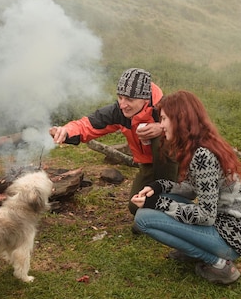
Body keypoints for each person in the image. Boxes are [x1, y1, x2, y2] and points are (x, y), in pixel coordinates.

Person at [130, 90, 241, 285]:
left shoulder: (202, 155)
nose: (160, 125)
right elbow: (191, 189)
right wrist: (159, 186)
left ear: (179, 119)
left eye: (163, 119)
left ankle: (218, 264)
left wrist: (157, 203)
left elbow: (205, 216)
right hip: (227, 228)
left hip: (230, 239)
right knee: (156, 207)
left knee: (143, 218)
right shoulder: (198, 145)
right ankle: (196, 250)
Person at [50, 68, 178, 215]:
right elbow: (89, 124)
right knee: (135, 207)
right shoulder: (120, 111)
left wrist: (162, 127)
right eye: (120, 97)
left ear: (145, 98)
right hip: (148, 165)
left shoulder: (166, 107)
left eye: (129, 99)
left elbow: (192, 129)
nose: (123, 104)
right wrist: (65, 131)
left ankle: (172, 194)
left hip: (179, 166)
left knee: (163, 137)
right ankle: (158, 205)